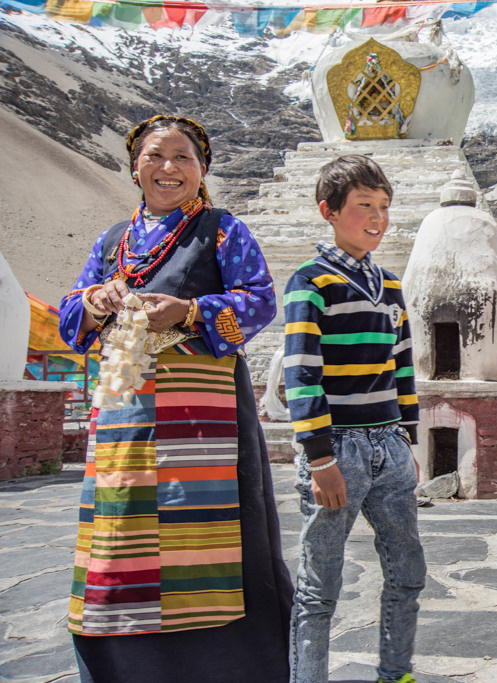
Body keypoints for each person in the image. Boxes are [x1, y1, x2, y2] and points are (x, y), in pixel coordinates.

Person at [58, 115, 292, 682]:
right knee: (122, 535)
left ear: (202, 169)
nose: (169, 168)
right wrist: (96, 299)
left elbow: (259, 304)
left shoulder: (221, 230)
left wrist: (189, 311)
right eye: (156, 156)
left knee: (209, 534)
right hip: (125, 416)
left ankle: (227, 666)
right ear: (135, 166)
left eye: (184, 157)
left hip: (203, 417)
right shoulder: (112, 241)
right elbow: (71, 322)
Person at [283, 154, 424, 683]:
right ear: (329, 210)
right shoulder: (310, 283)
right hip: (336, 449)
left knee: (408, 572)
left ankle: (396, 673)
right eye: (364, 205)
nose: (377, 218)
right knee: (320, 585)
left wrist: (407, 440)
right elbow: (302, 375)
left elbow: (402, 367)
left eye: (384, 207)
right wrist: (319, 458)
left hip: (388, 446)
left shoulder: (389, 288)